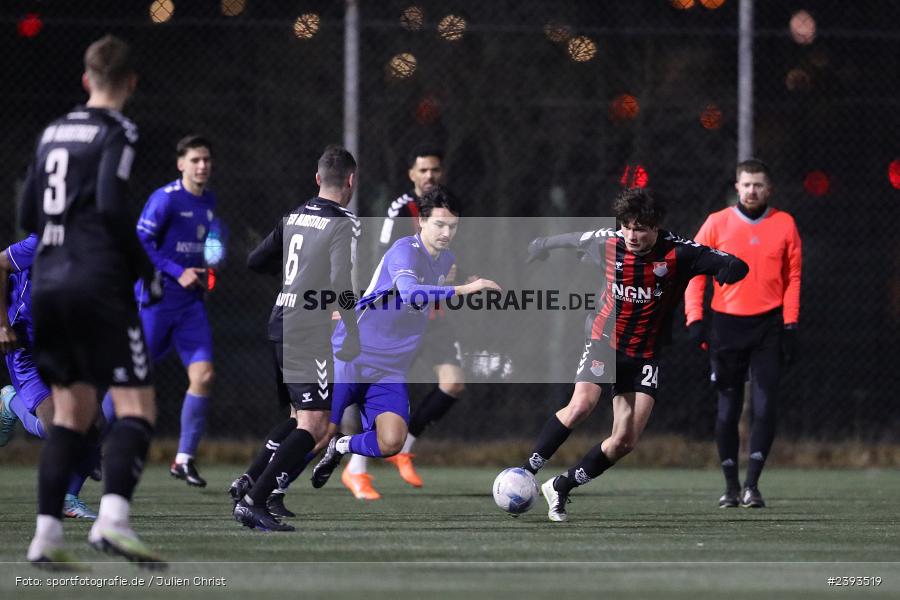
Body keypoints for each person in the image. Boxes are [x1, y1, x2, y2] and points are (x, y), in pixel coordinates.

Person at [19, 34, 164, 565]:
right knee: (136, 407)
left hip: (49, 282)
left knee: (71, 414)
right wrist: (142, 268)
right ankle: (112, 522)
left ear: (85, 79)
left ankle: (46, 536)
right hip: (96, 283)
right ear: (131, 83)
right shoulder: (119, 130)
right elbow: (108, 203)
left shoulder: (52, 131)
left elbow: (27, 212)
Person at [521, 188, 749, 522]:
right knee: (581, 405)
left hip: (645, 355)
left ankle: (560, 486)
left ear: (656, 227)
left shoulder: (679, 253)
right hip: (604, 341)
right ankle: (527, 471)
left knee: (625, 441)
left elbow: (727, 262)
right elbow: (571, 239)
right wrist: (541, 246)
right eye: (626, 226)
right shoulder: (608, 242)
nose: (631, 235)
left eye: (640, 228)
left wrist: (733, 268)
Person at [310, 186, 500, 489]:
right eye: (439, 224)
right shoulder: (404, 249)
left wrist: (468, 279)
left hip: (389, 369)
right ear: (422, 222)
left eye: (452, 226)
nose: (446, 232)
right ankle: (259, 485)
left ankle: (342, 448)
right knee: (317, 432)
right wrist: (465, 290)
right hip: (353, 354)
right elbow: (410, 293)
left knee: (392, 441)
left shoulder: (445, 259)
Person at [229, 145, 363, 532]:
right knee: (318, 426)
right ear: (350, 181)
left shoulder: (293, 216)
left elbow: (256, 260)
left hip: (281, 322)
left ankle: (252, 481)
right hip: (308, 329)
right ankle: (254, 501)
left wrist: (295, 279)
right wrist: (351, 330)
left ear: (318, 178)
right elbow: (341, 282)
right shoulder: (343, 222)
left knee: (300, 418)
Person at [340, 144, 465, 500]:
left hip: (431, 314)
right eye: (422, 170)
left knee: (453, 382)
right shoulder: (400, 210)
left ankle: (404, 447)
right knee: (378, 391)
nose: (429, 176)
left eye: (434, 170)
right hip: (395, 317)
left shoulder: (448, 211)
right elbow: (390, 262)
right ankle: (356, 469)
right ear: (411, 174)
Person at [684, 159, 802, 509]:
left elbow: (793, 277)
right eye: (746, 184)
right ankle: (731, 486)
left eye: (759, 185)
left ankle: (753, 485)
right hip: (726, 326)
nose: (752, 190)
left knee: (765, 407)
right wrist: (695, 318)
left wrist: (791, 323)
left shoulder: (784, 224)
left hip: (768, 326)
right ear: (737, 186)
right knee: (727, 410)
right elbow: (693, 271)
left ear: (769, 189)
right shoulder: (717, 223)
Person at [132, 134, 217, 487]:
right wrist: (175, 271)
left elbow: (197, 248)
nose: (202, 166)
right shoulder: (164, 199)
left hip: (190, 306)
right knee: (131, 382)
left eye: (206, 160)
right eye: (195, 160)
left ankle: (183, 458)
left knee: (204, 376)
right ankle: (91, 445)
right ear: (180, 164)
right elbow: (140, 240)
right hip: (156, 303)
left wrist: (201, 272)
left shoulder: (209, 201)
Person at [0, 235, 102, 519]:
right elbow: (1, 263)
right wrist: (2, 325)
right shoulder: (47, 237)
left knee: (94, 425)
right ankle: (10, 402)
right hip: (28, 349)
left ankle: (69, 498)